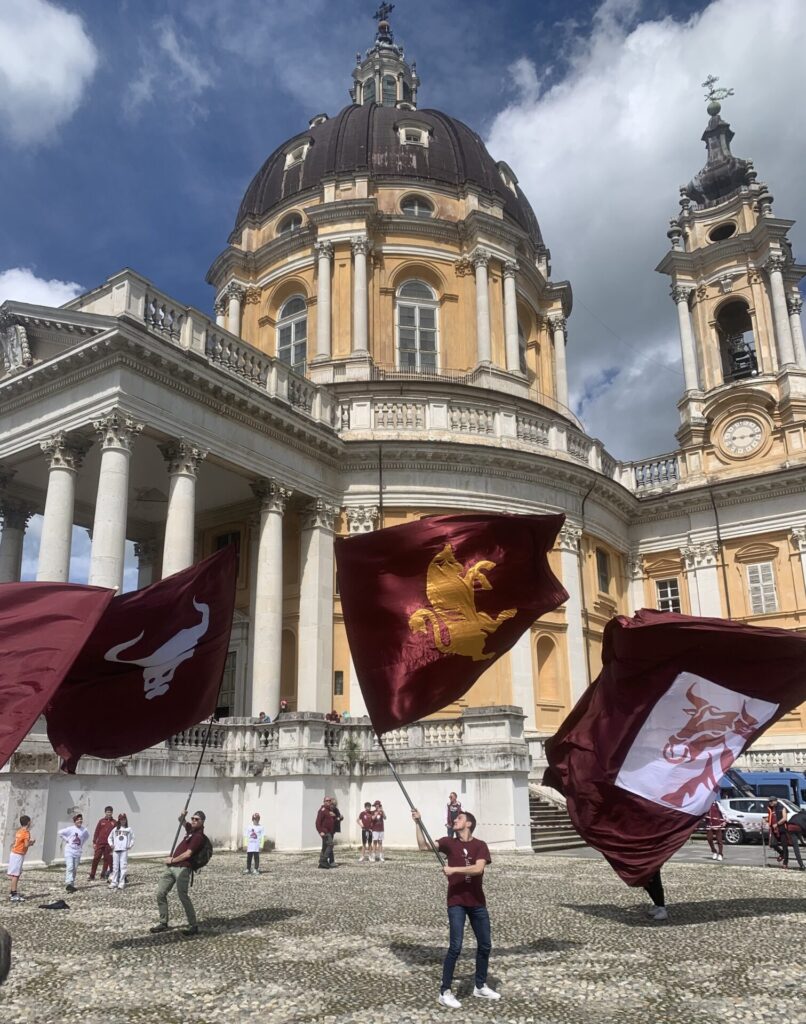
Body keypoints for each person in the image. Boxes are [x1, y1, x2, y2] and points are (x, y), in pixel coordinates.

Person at [411, 807, 500, 1008]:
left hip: (477, 902)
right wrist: (418, 823)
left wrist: (453, 870)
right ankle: (445, 991)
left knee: (485, 945)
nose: (455, 820)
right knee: (455, 946)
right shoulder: (448, 842)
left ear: (469, 823)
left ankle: (479, 985)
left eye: (459, 818)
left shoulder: (480, 845)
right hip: (457, 902)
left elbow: (478, 868)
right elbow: (423, 847)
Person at [150, 810, 207, 935]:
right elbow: (181, 821)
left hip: (183, 868)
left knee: (183, 896)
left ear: (202, 822)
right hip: (171, 868)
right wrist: (183, 815)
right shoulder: (190, 831)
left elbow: (188, 854)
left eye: (196, 819)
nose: (193, 820)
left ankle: (193, 926)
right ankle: (163, 922)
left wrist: (172, 859)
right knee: (160, 893)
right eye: (192, 818)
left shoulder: (198, 837)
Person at [767, 796, 804, 869]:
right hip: (774, 829)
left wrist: (777, 824)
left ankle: (785, 862)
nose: (770, 803)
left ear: (775, 801)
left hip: (782, 829)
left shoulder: (782, 808)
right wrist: (766, 820)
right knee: (773, 844)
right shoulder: (770, 808)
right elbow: (771, 817)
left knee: (784, 846)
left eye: (771, 801)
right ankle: (782, 853)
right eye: (769, 801)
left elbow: (784, 818)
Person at [58, 813, 89, 893]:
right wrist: (67, 839)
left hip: (77, 851)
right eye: (78, 819)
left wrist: (81, 844)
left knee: (74, 869)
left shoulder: (84, 830)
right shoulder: (70, 828)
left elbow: (86, 837)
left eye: (80, 819)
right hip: (69, 850)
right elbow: (60, 832)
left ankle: (71, 884)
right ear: (75, 821)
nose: (80, 821)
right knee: (70, 867)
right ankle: (68, 883)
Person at [7, 815, 34, 902]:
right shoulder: (26, 832)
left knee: (15, 874)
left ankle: (12, 891)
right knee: (16, 874)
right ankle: (14, 894)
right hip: (18, 855)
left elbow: (16, 842)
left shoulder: (19, 831)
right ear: (28, 822)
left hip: (14, 853)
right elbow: (26, 844)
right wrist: (32, 843)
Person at [89, 806, 116, 881]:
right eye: (107, 812)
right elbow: (96, 831)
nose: (109, 813)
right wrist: (94, 842)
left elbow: (116, 834)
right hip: (100, 843)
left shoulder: (114, 822)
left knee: (107, 859)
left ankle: (103, 874)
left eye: (110, 812)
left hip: (109, 844)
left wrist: (114, 844)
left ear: (112, 813)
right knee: (96, 858)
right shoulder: (101, 821)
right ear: (105, 812)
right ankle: (92, 875)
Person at [108, 814, 134, 890]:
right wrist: (111, 844)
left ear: (126, 820)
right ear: (119, 820)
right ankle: (114, 882)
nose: (123, 821)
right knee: (115, 867)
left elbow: (133, 838)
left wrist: (130, 845)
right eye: (121, 819)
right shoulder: (115, 829)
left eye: (124, 819)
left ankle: (122, 883)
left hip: (124, 850)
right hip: (116, 850)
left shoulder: (129, 829)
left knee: (123, 867)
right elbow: (109, 838)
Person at [316, 797, 336, 869]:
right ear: (324, 802)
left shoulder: (329, 810)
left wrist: (334, 816)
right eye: (326, 801)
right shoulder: (322, 810)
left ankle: (321, 863)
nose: (328, 802)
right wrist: (320, 831)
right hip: (325, 831)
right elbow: (318, 822)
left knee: (325, 846)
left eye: (329, 801)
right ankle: (324, 860)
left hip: (329, 831)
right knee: (330, 844)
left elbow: (330, 821)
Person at [328, 799, 344, 865]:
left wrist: (341, 818)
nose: (333, 806)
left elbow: (338, 818)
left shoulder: (336, 810)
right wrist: (336, 818)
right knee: (329, 845)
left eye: (335, 805)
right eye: (332, 804)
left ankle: (328, 860)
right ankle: (330, 861)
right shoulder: (327, 810)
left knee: (329, 845)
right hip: (327, 830)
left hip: (332, 830)